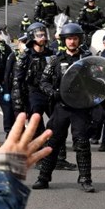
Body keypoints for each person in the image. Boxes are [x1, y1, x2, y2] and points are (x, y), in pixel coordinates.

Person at [32, 22, 97, 192]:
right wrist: (52, 92)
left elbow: (98, 81)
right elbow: (43, 81)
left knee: (82, 143)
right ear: (64, 41)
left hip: (80, 108)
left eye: (75, 38)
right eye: (69, 39)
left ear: (80, 40)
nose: (72, 42)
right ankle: (43, 178)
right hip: (61, 107)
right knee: (52, 142)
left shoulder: (88, 59)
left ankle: (85, 179)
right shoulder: (55, 60)